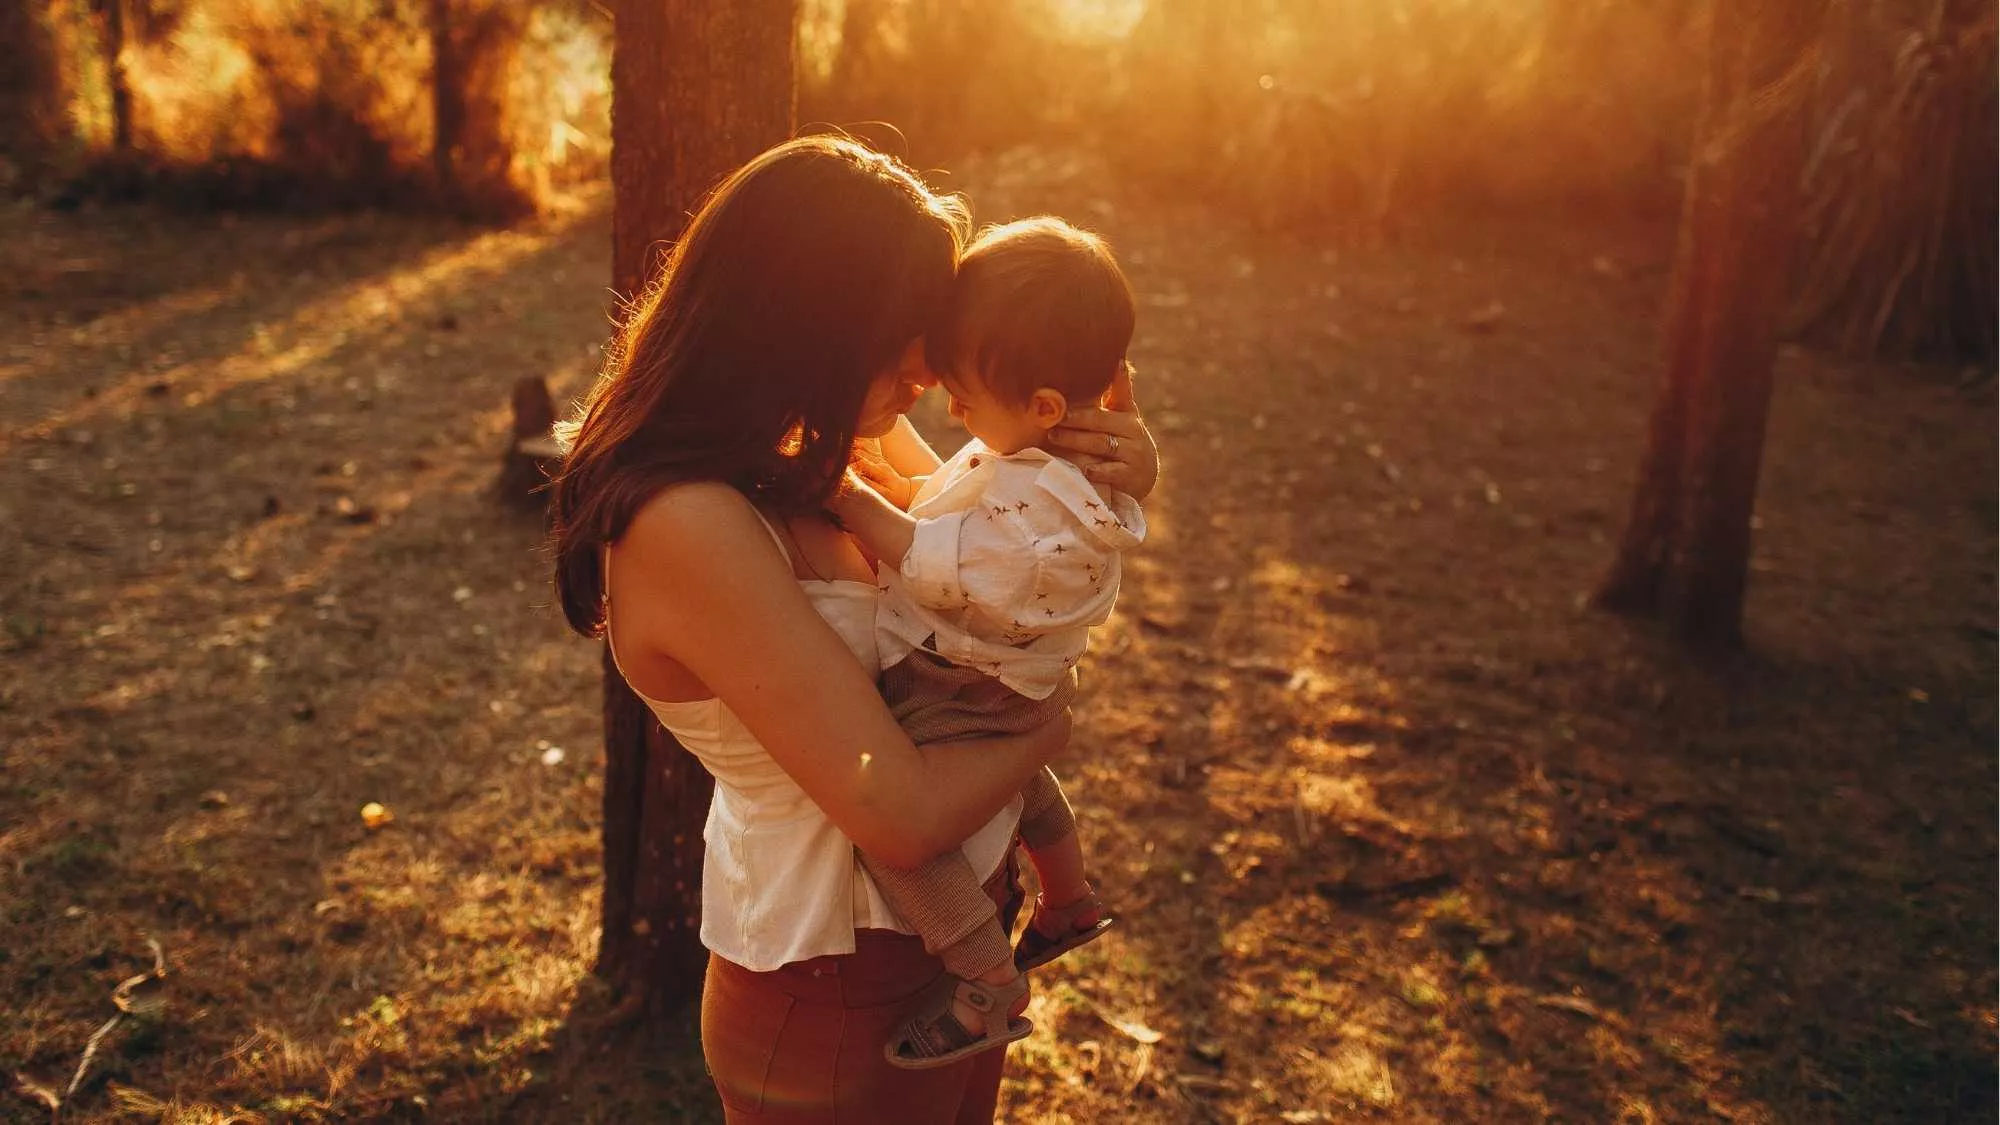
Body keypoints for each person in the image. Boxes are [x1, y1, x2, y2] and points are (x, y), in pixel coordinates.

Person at [549, 135, 1160, 1124]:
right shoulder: (685, 523)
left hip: (961, 936)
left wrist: (1105, 468)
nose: (925, 370)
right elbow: (901, 815)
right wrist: (1048, 724)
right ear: (805, 328)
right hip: (837, 983)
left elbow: (996, 547)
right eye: (902, 340)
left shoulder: (835, 430)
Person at [829, 217, 1143, 1069]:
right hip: (1017, 684)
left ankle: (984, 977)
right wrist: (902, 487)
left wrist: (851, 499)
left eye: (965, 396)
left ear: (1044, 405)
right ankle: (1069, 898)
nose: (950, 407)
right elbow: (955, 505)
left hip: (961, 684)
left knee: (892, 832)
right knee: (1021, 778)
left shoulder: (1042, 508)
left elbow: (940, 565)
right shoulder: (1053, 461)